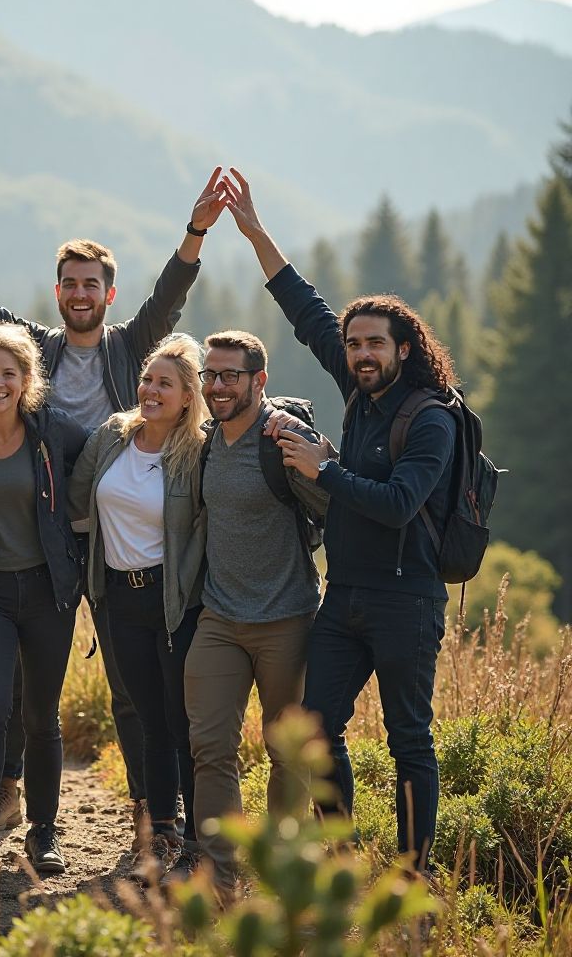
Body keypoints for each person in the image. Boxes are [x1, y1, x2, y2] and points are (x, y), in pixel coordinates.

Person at [0, 164, 231, 843]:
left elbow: (170, 297)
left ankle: (147, 812)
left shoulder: (129, 347)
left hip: (119, 531)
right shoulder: (34, 348)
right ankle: (5, 795)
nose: (77, 293)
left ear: (107, 293)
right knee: (15, 676)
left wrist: (196, 230)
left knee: (131, 688)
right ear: (58, 291)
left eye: (89, 284)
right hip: (45, 535)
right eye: (67, 283)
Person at [223, 169, 457, 869]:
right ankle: (344, 861)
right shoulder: (357, 391)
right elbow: (304, 308)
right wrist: (257, 233)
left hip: (406, 600)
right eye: (354, 344)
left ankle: (411, 876)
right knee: (315, 730)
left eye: (374, 344)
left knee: (409, 738)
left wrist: (323, 469)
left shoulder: (431, 419)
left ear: (403, 348)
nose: (360, 353)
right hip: (345, 595)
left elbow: (396, 505)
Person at [183, 329, 325, 891]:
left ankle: (282, 872)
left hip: (287, 619)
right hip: (219, 619)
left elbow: (334, 502)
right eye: (209, 376)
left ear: (258, 380)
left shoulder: (284, 438)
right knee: (210, 747)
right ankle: (221, 876)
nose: (216, 386)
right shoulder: (203, 442)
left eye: (229, 376)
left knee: (286, 751)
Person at [0, 317, 87, 875]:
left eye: (9, 373)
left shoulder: (56, 432)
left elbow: (114, 447)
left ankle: (44, 831)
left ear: (27, 378)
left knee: (41, 715)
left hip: (48, 590)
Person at [67, 334, 207, 885]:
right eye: (147, 378)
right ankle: (158, 832)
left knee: (182, 719)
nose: (150, 390)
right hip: (119, 597)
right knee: (149, 720)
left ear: (187, 396)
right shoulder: (112, 437)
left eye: (164, 384)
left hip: (174, 602)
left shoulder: (196, 450)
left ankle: (198, 839)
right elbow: (78, 499)